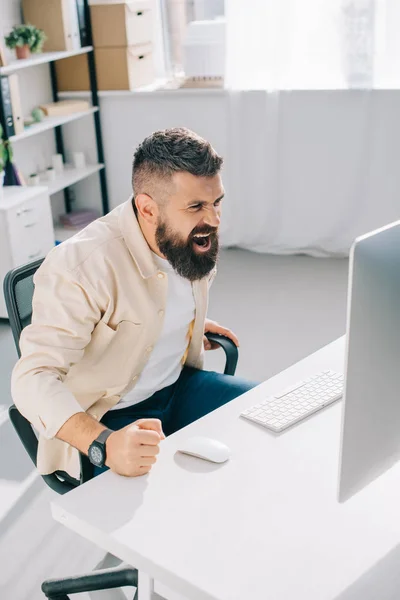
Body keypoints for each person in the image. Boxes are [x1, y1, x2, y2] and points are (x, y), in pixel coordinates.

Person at [11, 128, 257, 481]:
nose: (214, 219)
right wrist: (104, 445)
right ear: (147, 208)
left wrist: (183, 323)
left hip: (178, 386)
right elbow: (32, 379)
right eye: (196, 207)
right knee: (160, 515)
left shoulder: (190, 240)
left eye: (216, 202)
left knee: (265, 420)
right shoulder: (83, 265)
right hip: (110, 416)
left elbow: (155, 300)